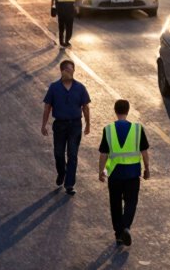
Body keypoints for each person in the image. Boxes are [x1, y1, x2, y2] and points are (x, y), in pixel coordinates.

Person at [98, 99, 150, 247]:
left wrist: (101, 171)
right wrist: (147, 168)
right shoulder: (137, 129)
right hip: (133, 174)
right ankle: (126, 226)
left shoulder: (108, 129)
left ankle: (118, 234)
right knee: (131, 202)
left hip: (114, 174)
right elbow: (144, 152)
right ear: (128, 111)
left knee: (115, 203)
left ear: (115, 111)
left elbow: (104, 154)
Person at [41, 60, 90, 196]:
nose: (70, 71)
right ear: (62, 71)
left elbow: (85, 107)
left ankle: (69, 184)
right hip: (60, 125)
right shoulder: (54, 87)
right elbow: (47, 107)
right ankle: (62, 173)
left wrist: (88, 124)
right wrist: (44, 124)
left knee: (73, 155)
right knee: (58, 153)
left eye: (72, 69)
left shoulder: (80, 88)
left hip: (75, 125)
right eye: (68, 69)